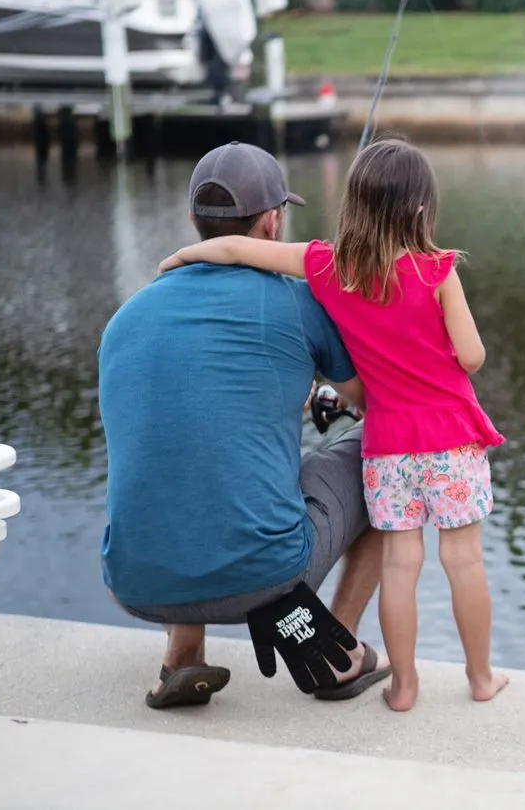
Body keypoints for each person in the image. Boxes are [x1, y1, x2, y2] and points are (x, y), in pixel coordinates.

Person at [156, 137, 508, 713]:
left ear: (354, 206)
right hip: (451, 441)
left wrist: (186, 256)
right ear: (421, 210)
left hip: (387, 445)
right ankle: (480, 678)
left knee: (400, 562)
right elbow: (471, 357)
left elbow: (243, 253)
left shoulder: (327, 266)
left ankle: (404, 686)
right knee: (463, 560)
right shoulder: (438, 271)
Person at [97, 141, 392, 710]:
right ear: (273, 221)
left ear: (193, 222)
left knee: (176, 463)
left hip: (136, 583)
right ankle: (338, 651)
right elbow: (375, 403)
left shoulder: (127, 317)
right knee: (392, 451)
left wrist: (290, 397)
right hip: (262, 572)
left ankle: (183, 656)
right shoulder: (298, 301)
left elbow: (183, 421)